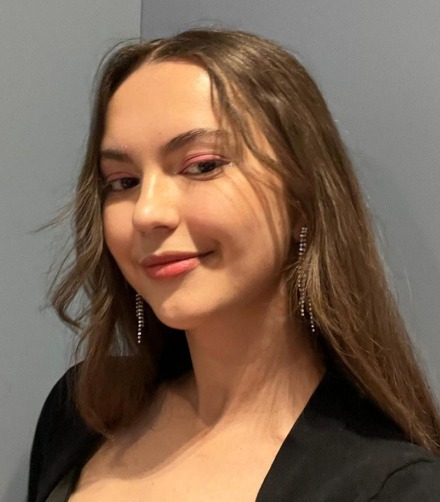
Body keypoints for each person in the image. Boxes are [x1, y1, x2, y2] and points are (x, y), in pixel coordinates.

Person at [28, 28, 440, 502]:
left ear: (302, 201)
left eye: (202, 166)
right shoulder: (83, 410)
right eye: (123, 182)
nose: (147, 212)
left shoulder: (395, 487)